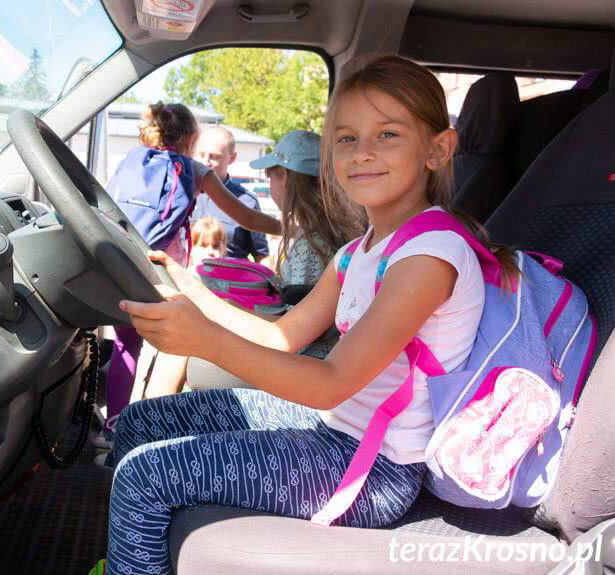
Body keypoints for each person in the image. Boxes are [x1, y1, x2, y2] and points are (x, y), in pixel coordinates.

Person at [93, 55, 520, 575]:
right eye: (346, 138)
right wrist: (193, 292)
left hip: (376, 469)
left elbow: (330, 384)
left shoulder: (430, 256)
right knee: (144, 419)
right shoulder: (358, 252)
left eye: (387, 135)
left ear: (438, 149)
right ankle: (132, 556)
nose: (363, 152)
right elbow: (282, 338)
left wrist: (204, 340)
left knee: (144, 475)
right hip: (332, 429)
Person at [101, 102, 281, 442]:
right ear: (191, 139)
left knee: (126, 347)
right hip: (165, 274)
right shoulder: (196, 171)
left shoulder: (132, 161)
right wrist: (288, 227)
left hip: (123, 265)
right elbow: (246, 217)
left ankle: (113, 425)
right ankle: (162, 428)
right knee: (176, 351)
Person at [142, 130, 354, 398]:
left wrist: (210, 303)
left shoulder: (311, 245)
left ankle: (148, 416)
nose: (270, 183)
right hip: (313, 354)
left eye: (270, 176)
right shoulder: (329, 232)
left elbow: (288, 333)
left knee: (178, 343)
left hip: (301, 361)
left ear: (284, 177)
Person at [191, 126, 270, 262]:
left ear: (232, 158)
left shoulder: (246, 202)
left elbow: (261, 256)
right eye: (201, 155)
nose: (205, 162)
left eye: (214, 157)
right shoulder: (180, 193)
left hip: (228, 273)